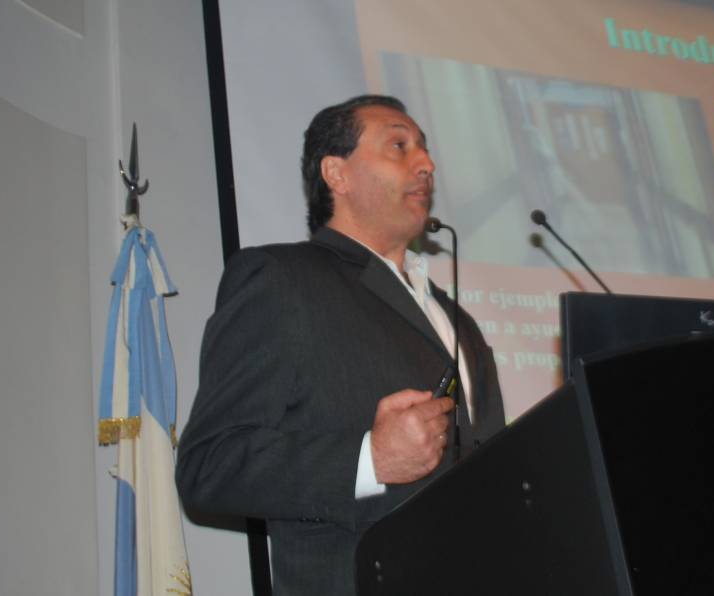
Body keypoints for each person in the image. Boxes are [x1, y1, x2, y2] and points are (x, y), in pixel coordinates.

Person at [176, 95, 506, 595]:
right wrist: (369, 459)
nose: (426, 163)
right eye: (399, 146)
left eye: (424, 148)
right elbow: (210, 465)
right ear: (337, 174)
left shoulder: (458, 321)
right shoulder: (281, 278)